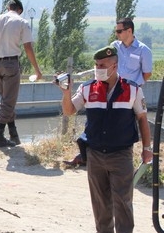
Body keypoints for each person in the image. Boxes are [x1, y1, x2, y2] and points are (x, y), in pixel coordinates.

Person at [59, 45, 152, 233]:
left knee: (122, 200)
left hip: (121, 153)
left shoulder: (132, 90)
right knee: (100, 198)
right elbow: (69, 111)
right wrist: (65, 91)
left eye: (102, 66)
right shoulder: (88, 88)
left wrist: (147, 149)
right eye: (96, 65)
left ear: (114, 66)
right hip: (95, 153)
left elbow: (142, 119)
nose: (98, 69)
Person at [64, 17, 153, 167]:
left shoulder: (144, 50)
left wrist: (132, 87)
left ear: (129, 30)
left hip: (128, 95)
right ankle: (87, 154)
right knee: (97, 120)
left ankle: (123, 158)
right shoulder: (114, 47)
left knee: (123, 128)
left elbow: (147, 73)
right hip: (107, 89)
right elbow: (69, 109)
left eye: (119, 31)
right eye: (116, 31)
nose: (117, 34)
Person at [0, 0, 43, 148]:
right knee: (8, 101)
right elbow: (28, 47)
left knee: (6, 100)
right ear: (20, 10)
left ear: (8, 7)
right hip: (11, 63)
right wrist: (37, 69)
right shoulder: (22, 22)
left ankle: (14, 135)